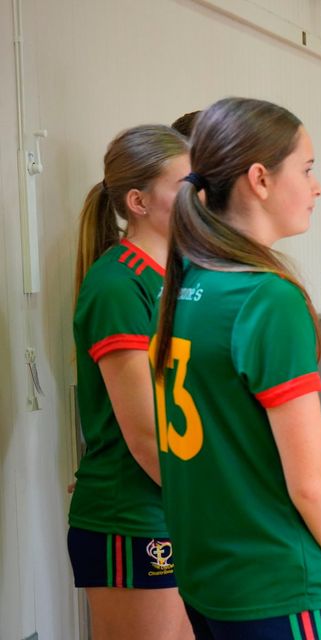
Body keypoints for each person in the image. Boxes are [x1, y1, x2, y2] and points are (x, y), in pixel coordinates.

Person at [151, 97, 321, 639]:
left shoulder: (184, 285)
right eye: (308, 169)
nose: (317, 187)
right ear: (259, 180)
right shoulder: (266, 298)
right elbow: (313, 481)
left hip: (210, 577)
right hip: (276, 580)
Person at [68, 125, 192, 640]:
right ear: (138, 201)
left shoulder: (182, 275)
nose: (199, 197)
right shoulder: (117, 285)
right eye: (184, 184)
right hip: (133, 515)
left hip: (178, 506)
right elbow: (145, 437)